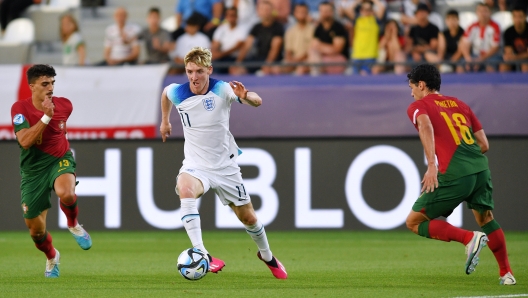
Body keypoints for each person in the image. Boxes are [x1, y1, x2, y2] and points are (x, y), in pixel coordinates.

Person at [159, 47, 288, 279]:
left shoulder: (222, 89)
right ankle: (202, 252)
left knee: (248, 218)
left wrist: (245, 96)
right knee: (185, 188)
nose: (193, 77)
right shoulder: (178, 92)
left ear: (209, 69)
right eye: (189, 71)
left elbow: (257, 101)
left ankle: (267, 255)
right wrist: (165, 122)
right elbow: (165, 94)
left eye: (199, 71)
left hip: (225, 167)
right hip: (196, 165)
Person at [405, 63, 516, 286]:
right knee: (486, 218)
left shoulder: (418, 106)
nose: (411, 92)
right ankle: (506, 274)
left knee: (414, 222)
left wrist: (432, 166)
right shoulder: (460, 104)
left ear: (422, 85)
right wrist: (469, 160)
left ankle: (469, 238)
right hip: (480, 169)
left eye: (412, 87)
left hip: (455, 173)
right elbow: (483, 143)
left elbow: (425, 126)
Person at [10, 64, 92, 278]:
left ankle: (73, 224)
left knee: (67, 192)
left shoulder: (65, 105)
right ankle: (52, 256)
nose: (50, 88)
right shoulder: (20, 109)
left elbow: (59, 131)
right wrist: (46, 117)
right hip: (33, 171)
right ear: (32, 86)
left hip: (59, 159)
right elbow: (25, 141)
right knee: (36, 231)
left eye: (52, 83)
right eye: (45, 84)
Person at [234, 0, 284, 75]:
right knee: (237, 71)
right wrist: (237, 62)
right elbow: (247, 45)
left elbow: (275, 48)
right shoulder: (256, 27)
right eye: (263, 9)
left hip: (274, 61)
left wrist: (268, 64)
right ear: (259, 11)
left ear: (272, 11)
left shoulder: (278, 27)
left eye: (267, 9)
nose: (265, 12)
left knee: (269, 71)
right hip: (257, 59)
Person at [308, 1, 349, 75]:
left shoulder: (338, 27)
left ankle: (316, 77)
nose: (325, 13)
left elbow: (337, 49)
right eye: (322, 11)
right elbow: (313, 46)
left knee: (315, 60)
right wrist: (324, 48)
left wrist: (320, 46)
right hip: (322, 59)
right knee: (311, 56)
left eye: (327, 11)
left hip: (338, 59)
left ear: (332, 12)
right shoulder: (319, 28)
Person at [459, 3, 501, 72]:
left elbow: (495, 48)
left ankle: (491, 83)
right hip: (475, 55)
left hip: (491, 56)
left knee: (490, 66)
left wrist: (481, 59)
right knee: (461, 65)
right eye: (480, 11)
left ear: (490, 12)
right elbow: (464, 43)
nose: (482, 14)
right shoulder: (472, 26)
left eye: (485, 11)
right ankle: (460, 83)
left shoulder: (495, 27)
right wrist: (468, 58)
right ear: (476, 13)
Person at [348, 0, 386, 75]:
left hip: (370, 55)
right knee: (354, 77)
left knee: (365, 75)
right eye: (363, 9)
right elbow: (349, 10)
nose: (366, 11)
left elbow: (382, 8)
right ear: (360, 10)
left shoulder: (375, 20)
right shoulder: (357, 20)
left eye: (368, 9)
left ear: (372, 10)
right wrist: (359, 1)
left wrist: (373, 0)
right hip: (357, 55)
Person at [211, 7, 247, 74]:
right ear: (226, 17)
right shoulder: (221, 28)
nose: (231, 17)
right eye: (228, 15)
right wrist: (215, 53)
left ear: (237, 17)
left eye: (233, 15)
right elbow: (215, 44)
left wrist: (221, 54)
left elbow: (239, 45)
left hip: (235, 58)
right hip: (222, 57)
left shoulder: (242, 28)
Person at [283, 3, 315, 75]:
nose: (301, 14)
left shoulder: (313, 30)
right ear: (294, 13)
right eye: (299, 12)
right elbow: (288, 51)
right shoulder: (290, 30)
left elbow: (311, 50)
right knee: (276, 69)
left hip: (307, 60)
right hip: (293, 60)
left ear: (307, 13)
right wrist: (291, 60)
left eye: (303, 12)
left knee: (301, 69)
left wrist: (297, 61)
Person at [500, 6, 528, 72]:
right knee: (504, 66)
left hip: (525, 59)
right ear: (512, 18)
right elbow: (508, 51)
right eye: (515, 16)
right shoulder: (508, 32)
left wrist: (515, 57)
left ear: (525, 17)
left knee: (525, 65)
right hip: (514, 58)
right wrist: (511, 57)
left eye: (520, 16)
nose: (518, 19)